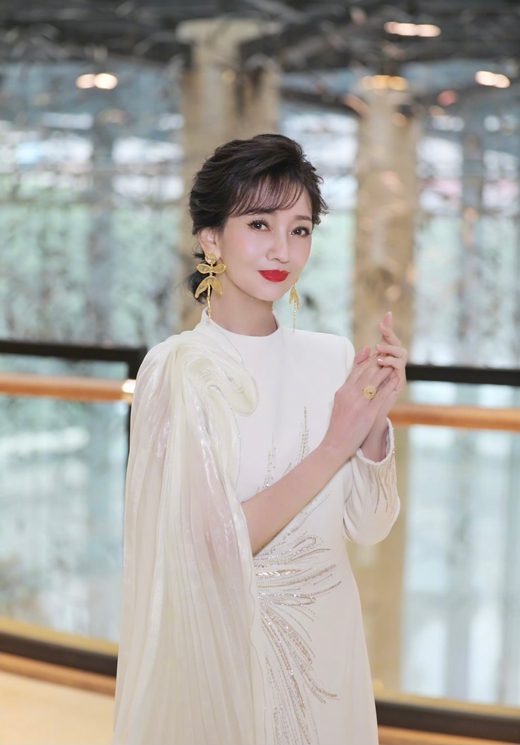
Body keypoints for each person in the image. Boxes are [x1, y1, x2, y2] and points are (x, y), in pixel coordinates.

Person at [112, 133, 407, 745]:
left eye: (300, 230)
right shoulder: (180, 368)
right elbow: (215, 545)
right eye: (258, 224)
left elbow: (370, 527)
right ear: (211, 237)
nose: (282, 249)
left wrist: (374, 422)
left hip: (333, 644)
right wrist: (336, 442)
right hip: (231, 652)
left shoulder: (332, 357)